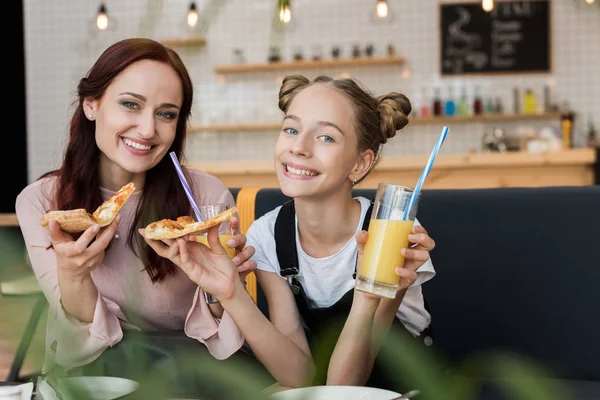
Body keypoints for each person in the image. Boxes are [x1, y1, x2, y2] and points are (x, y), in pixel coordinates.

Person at [144, 74, 436, 392]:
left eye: (326, 138)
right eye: (291, 129)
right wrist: (231, 294)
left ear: (359, 164)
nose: (298, 147)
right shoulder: (270, 234)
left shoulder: (391, 237)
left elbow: (344, 386)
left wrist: (369, 297)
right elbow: (301, 378)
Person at [15, 38, 261, 398]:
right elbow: (86, 336)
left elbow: (219, 333)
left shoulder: (206, 197)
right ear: (91, 104)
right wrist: (74, 271)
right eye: (131, 104)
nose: (148, 130)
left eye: (166, 114)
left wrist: (221, 288)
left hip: (193, 373)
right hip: (98, 373)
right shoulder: (42, 203)